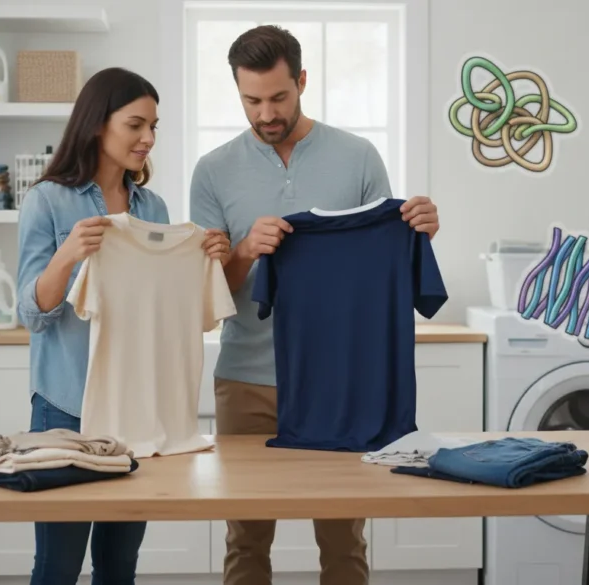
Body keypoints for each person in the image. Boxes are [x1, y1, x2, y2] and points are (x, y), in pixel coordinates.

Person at [189, 25, 440, 585]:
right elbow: (207, 297)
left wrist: (419, 233)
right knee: (246, 539)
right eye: (251, 100)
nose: (266, 112)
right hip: (246, 381)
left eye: (278, 96)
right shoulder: (212, 171)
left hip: (339, 380)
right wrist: (247, 251)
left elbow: (381, 263)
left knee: (344, 537)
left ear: (302, 81)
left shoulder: (358, 157)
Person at [15, 66, 230, 585]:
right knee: (58, 564)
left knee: (119, 565)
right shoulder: (47, 200)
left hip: (136, 411)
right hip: (65, 408)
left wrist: (210, 258)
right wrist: (67, 255)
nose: (148, 139)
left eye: (154, 126)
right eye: (136, 125)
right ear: (96, 124)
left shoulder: (152, 207)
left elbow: (162, 301)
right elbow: (31, 313)